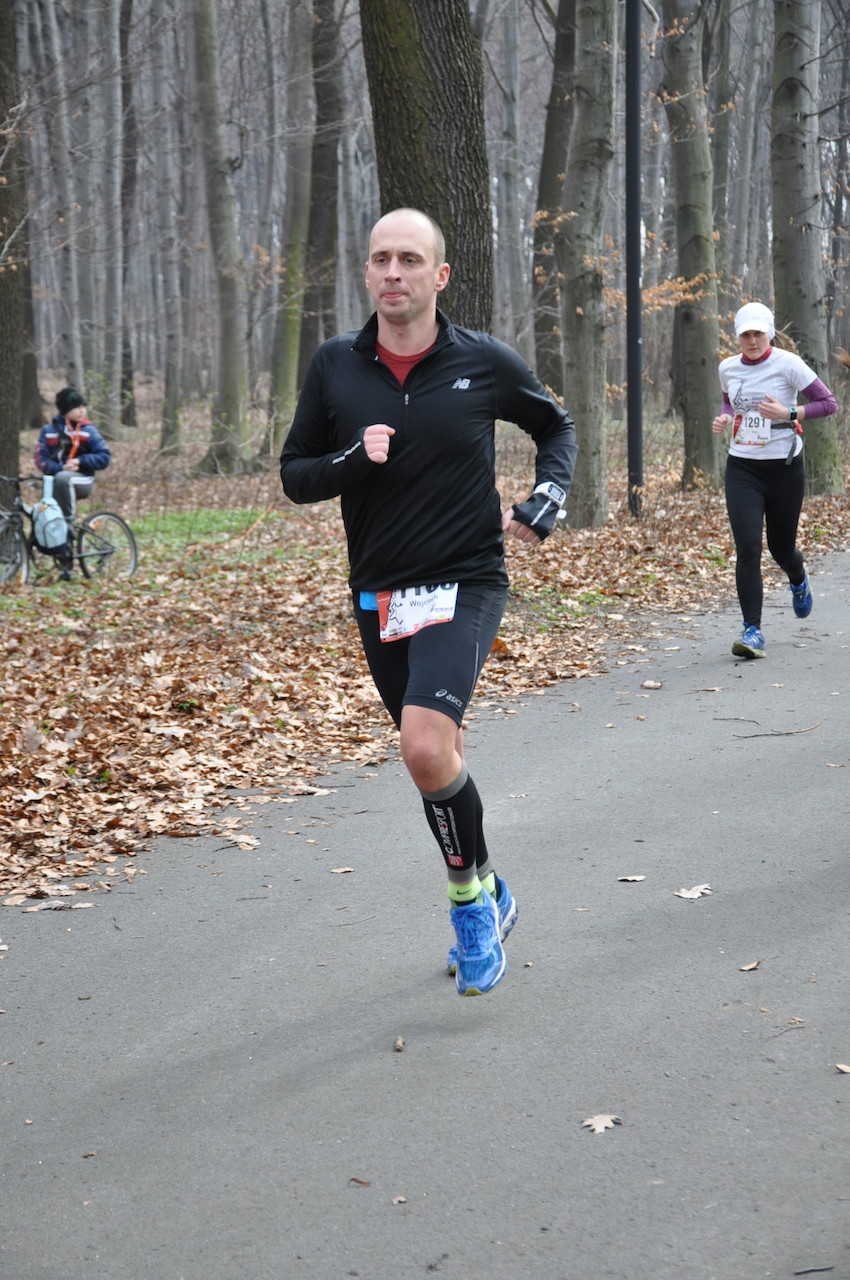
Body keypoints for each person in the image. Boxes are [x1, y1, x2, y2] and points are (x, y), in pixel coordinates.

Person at [281, 208, 577, 996]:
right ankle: (492, 886)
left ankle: (467, 907)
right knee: (437, 761)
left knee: (421, 746)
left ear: (440, 275)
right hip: (380, 593)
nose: (393, 272)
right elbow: (295, 474)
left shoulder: (482, 361)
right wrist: (353, 458)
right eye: (381, 258)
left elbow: (556, 427)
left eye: (409, 259)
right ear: (367, 271)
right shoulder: (335, 366)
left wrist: (547, 497)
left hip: (465, 581)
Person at [712, 302, 837, 659]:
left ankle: (797, 578)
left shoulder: (788, 364)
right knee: (748, 547)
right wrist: (724, 418)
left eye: (758, 334)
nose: (752, 341)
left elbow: (828, 403)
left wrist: (789, 411)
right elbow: (729, 403)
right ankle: (752, 630)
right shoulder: (727, 367)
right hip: (742, 467)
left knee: (781, 549)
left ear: (769, 334)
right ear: (737, 337)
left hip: (784, 467)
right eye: (745, 335)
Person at [34, 387, 111, 522]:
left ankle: (66, 523)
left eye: (83, 407)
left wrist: (80, 461)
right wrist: (61, 468)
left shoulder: (88, 431)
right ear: (65, 410)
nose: (82, 411)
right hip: (54, 478)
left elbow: (104, 457)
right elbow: (40, 459)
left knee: (63, 479)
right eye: (77, 407)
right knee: (49, 488)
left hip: (83, 478)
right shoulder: (48, 431)